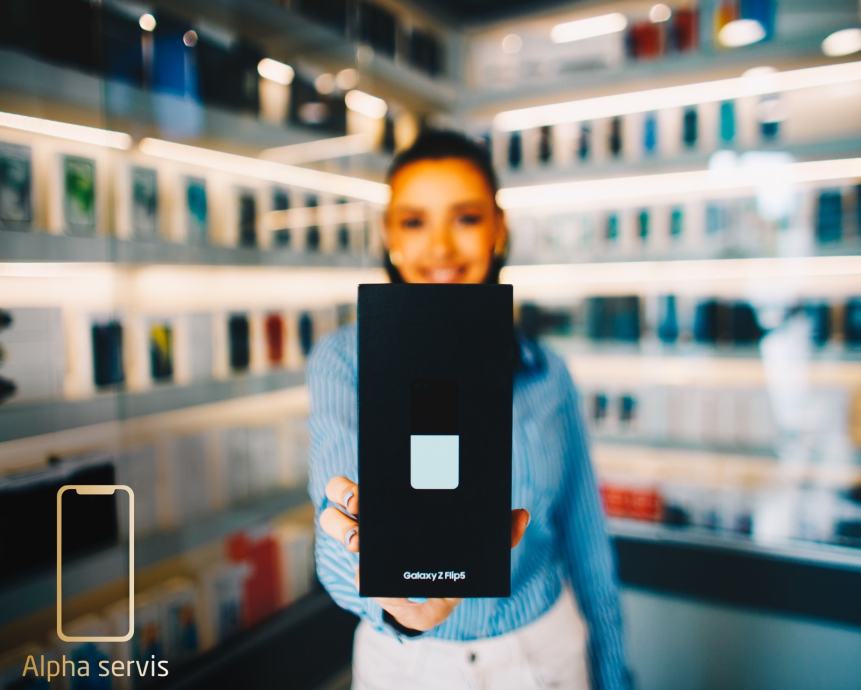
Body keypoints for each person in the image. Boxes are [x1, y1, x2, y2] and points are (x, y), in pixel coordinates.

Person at [307, 129, 630, 689]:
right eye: (414, 221)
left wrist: (614, 676)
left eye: (466, 218)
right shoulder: (344, 361)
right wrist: (387, 597)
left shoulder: (547, 372)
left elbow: (587, 544)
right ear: (388, 235)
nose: (440, 247)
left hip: (544, 657)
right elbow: (334, 514)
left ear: (498, 228)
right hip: (408, 665)